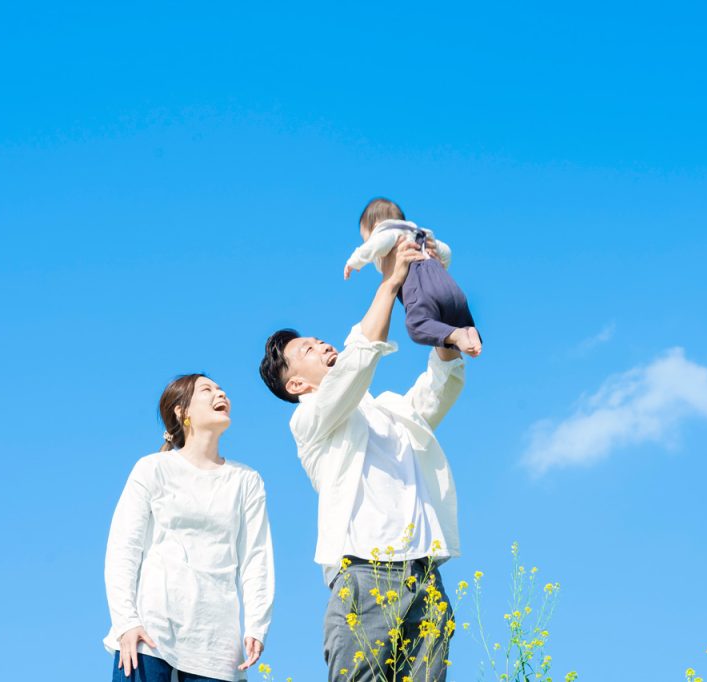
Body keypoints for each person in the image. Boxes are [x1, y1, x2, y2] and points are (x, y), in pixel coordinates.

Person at [259, 238, 466, 682]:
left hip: (424, 572)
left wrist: (443, 330)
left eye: (318, 340)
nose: (321, 345)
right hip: (365, 572)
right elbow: (357, 364)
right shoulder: (310, 421)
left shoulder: (389, 408)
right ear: (296, 385)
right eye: (308, 350)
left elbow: (437, 390)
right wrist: (390, 282)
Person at [103, 374, 274, 681]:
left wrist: (257, 626)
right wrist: (126, 621)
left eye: (221, 389)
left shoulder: (246, 480)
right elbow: (123, 548)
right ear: (182, 412)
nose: (221, 394)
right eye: (207, 390)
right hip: (150, 637)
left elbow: (256, 557)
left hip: (217, 648)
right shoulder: (153, 468)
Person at [344, 197, 482, 357]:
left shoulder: (387, 232)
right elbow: (446, 251)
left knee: (417, 325)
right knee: (452, 320)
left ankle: (458, 335)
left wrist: (355, 261)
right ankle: (468, 330)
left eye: (365, 238)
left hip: (420, 285)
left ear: (375, 227)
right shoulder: (421, 234)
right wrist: (440, 266)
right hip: (448, 285)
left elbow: (376, 244)